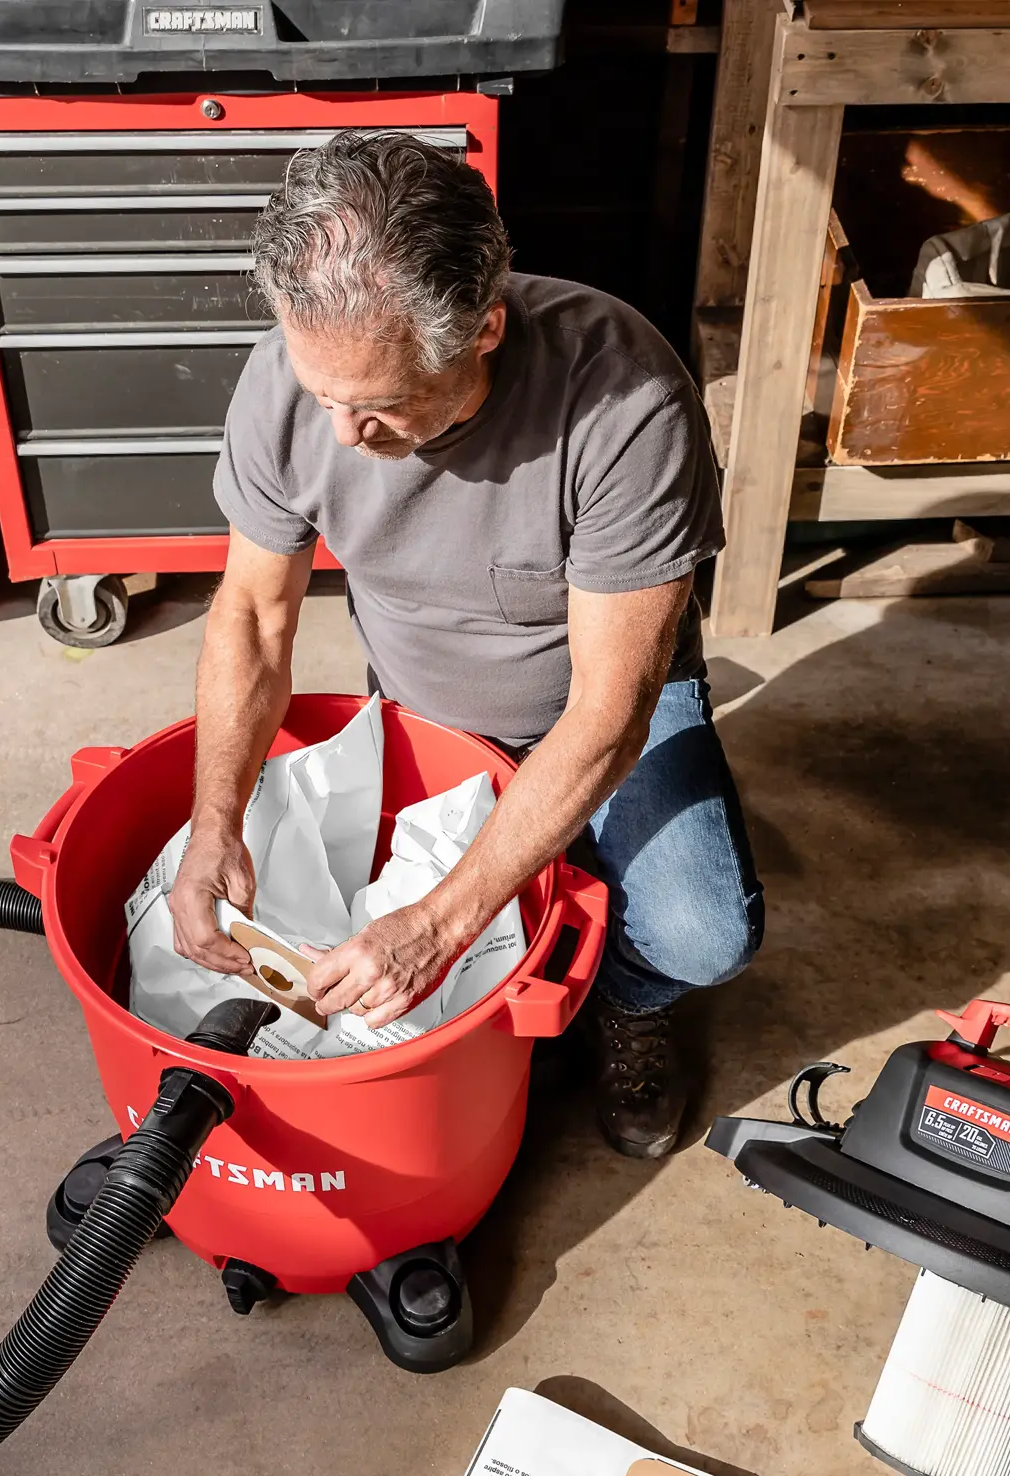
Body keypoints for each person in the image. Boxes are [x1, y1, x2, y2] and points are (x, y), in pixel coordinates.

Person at [167, 131, 763, 1159]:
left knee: (704, 932)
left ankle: (629, 997)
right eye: (324, 398)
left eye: (382, 405)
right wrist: (210, 823)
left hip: (602, 701)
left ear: (485, 327)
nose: (347, 437)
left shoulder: (626, 400)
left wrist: (438, 927)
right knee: (361, 914)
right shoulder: (290, 382)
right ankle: (533, 897)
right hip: (420, 698)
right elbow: (256, 620)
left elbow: (609, 715)